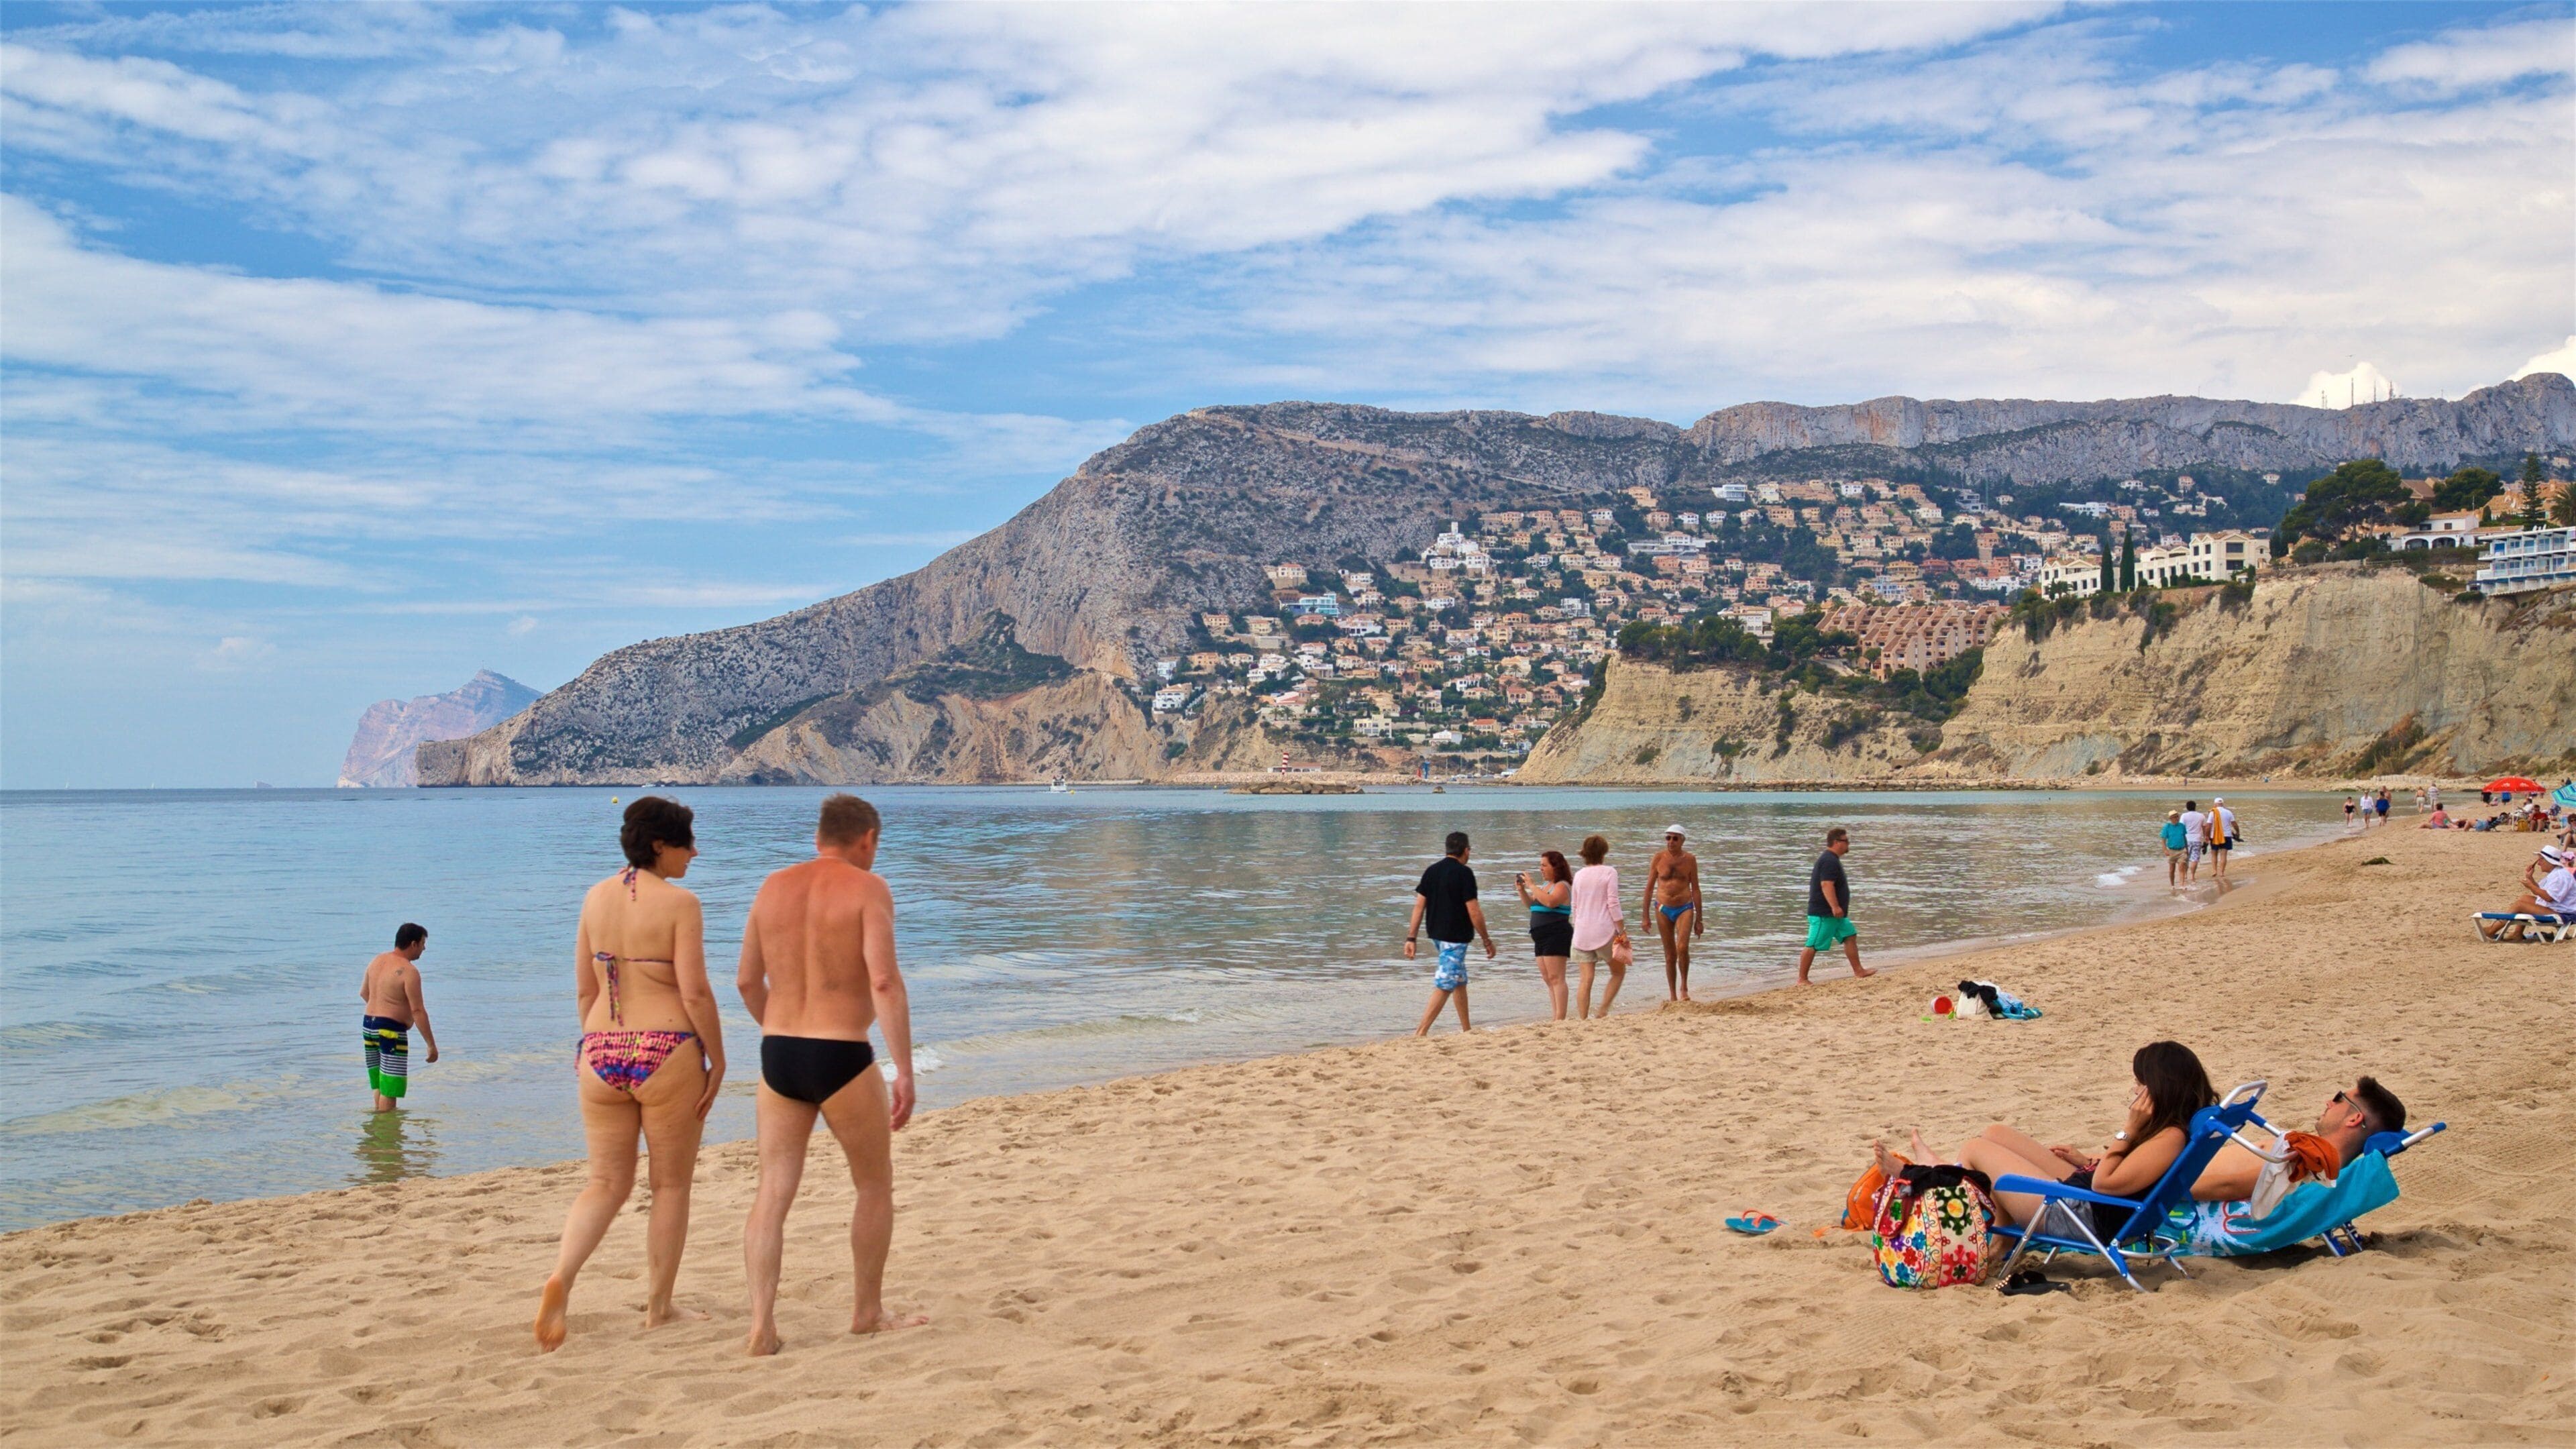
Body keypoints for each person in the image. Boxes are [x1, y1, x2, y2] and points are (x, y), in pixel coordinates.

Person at [535, 796, 728, 1353]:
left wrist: (597, 1043)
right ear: (660, 845)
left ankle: (563, 1277)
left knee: (605, 1183)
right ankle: (660, 1308)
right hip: (666, 1048)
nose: (696, 851)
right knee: (669, 1185)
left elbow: (584, 990)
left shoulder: (594, 898)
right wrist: (718, 1059)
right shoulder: (681, 903)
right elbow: (694, 991)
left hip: (599, 1051)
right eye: (688, 841)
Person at [738, 794, 924, 1355]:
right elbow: (884, 983)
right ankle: (867, 1312)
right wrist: (903, 1070)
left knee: (773, 1189)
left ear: (821, 836)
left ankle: (761, 1325)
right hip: (841, 1054)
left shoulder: (771, 886)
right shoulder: (869, 888)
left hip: (779, 1055)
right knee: (873, 1184)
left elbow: (747, 981)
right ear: (867, 839)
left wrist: (778, 1028)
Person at [1892, 1040, 2216, 1235]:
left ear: (2160, 1087)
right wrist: (2087, 1161)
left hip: (2080, 1214)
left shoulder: (2170, 1138)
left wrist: (2128, 1130)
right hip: (2085, 1195)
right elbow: (2129, 1173)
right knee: (1995, 1134)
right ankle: (1944, 1171)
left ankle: (1931, 1172)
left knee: (1977, 1148)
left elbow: (2106, 1185)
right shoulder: (2171, 1131)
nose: (2135, 1089)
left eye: (2140, 1082)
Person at [2189, 1076, 2406, 1206]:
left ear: (2354, 1118)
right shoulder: (2319, 1163)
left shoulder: (2307, 1162)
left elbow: (2228, 1185)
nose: (2329, 1102)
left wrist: (2160, 1190)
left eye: (2339, 1098)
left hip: (2172, 1184)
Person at [1406, 830, 1495, 1036]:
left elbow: (1419, 907)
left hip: (1436, 934)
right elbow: (1474, 910)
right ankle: (1421, 1032)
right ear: (1466, 850)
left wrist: (1411, 937)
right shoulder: (1464, 873)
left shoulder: (1431, 871)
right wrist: (1486, 940)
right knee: (1446, 983)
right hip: (1455, 936)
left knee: (1458, 980)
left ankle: (1467, 1030)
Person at [359, 923, 439, 1114]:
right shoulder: (409, 971)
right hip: (390, 1030)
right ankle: (387, 1133)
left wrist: (382, 1009)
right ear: (413, 944)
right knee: (391, 1086)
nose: (424, 948)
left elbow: (364, 993)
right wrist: (431, 1045)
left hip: (368, 1025)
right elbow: (418, 1011)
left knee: (379, 1081)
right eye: (422, 943)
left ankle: (378, 1127)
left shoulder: (376, 961)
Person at [1566, 835, 1629, 1019]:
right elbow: (1613, 903)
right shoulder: (1609, 872)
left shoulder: (1579, 875)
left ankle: (1583, 1018)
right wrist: (1621, 931)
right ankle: (1602, 1010)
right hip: (1604, 931)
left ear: (1585, 853)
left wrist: (1577, 927)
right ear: (1604, 852)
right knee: (1618, 972)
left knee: (1586, 979)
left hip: (1581, 933)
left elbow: (1575, 906)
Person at [1796, 826, 1871, 983]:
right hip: (1824, 913)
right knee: (1813, 944)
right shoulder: (1829, 860)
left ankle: (1859, 971)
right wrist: (1835, 907)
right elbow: (1826, 885)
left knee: (1850, 935)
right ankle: (1802, 979)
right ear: (1837, 842)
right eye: (1846, 841)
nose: (1848, 844)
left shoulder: (1832, 860)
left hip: (1836, 915)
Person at [1642, 825, 1705, 1001]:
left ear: (1682, 840)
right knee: (1670, 955)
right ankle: (1672, 995)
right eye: (1668, 838)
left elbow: (1696, 889)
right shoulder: (1658, 858)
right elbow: (1649, 888)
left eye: (1675, 838)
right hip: (1663, 908)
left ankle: (1684, 987)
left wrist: (1699, 919)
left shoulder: (1690, 860)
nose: (1671, 842)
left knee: (1682, 947)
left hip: (1685, 907)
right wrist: (1645, 916)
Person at [1514, 849, 1575, 1021]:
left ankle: (1560, 1018)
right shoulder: (1545, 886)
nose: (1541, 869)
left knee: (1557, 977)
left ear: (1555, 867)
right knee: (1548, 978)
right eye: (1540, 865)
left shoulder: (1562, 885)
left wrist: (1532, 885)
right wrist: (1522, 891)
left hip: (1556, 933)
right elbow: (1532, 905)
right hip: (1540, 936)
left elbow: (1550, 902)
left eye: (1544, 865)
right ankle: (1555, 1015)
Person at [2479, 845, 2576, 941]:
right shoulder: (2557, 874)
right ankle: (2517, 933)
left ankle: (2492, 930)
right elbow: (2542, 892)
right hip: (2558, 909)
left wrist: (2531, 886)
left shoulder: (2560, 876)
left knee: (2520, 905)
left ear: (2549, 861)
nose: (2539, 864)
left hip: (2564, 914)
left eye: (2541, 860)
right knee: (2524, 898)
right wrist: (2530, 879)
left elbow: (2548, 897)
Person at [2207, 797, 2240, 881]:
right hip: (2226, 835)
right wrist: (2237, 832)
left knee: (2214, 854)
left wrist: (2206, 835)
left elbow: (2209, 825)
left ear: (2215, 804)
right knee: (2223, 854)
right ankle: (2222, 872)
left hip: (2215, 836)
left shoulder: (2213, 812)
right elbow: (2234, 824)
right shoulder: (2228, 812)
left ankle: (2215, 871)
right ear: (2223, 804)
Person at [2179, 800, 2208, 876]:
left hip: (2186, 839)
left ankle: (2185, 876)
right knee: (2195, 859)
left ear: (2187, 807)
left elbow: (2181, 828)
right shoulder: (2201, 816)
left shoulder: (2184, 816)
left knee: (2185, 858)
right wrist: (2205, 838)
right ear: (2195, 807)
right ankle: (2193, 876)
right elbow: (2204, 828)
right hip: (2197, 839)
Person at [2160, 810, 2188, 887]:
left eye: (2177, 816)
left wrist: (2187, 849)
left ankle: (2182, 885)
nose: (2177, 818)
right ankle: (2172, 885)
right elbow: (2163, 840)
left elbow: (2184, 838)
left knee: (2181, 867)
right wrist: (2165, 850)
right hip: (2172, 851)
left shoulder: (2182, 826)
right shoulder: (2167, 827)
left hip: (2182, 850)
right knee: (2172, 870)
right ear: (2171, 819)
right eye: (2174, 817)